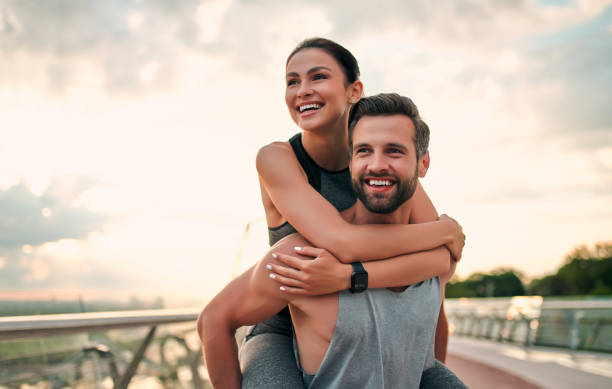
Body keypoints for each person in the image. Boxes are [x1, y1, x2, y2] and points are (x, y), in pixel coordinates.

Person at [206, 37, 466, 388]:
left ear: (353, 90)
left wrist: (352, 277)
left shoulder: (381, 165)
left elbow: (440, 264)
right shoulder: (278, 159)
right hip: (283, 324)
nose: (303, 90)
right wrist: (446, 231)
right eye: (292, 81)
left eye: (318, 77)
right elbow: (342, 242)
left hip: (367, 313)